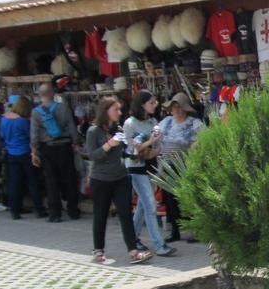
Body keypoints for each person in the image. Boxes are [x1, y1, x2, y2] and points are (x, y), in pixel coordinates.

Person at [86, 96, 152, 265]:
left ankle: (133, 251)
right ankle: (98, 249)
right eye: (116, 109)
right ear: (106, 111)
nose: (119, 112)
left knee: (125, 214)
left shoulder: (118, 128)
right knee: (101, 214)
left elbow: (123, 152)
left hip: (120, 177)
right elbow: (92, 155)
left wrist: (135, 152)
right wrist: (109, 145)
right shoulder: (94, 131)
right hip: (100, 179)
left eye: (120, 109)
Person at [123, 91, 176, 257]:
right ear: (142, 104)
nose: (155, 105)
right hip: (136, 168)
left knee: (143, 205)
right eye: (151, 102)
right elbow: (134, 148)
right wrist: (152, 142)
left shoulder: (153, 121)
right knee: (151, 206)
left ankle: (133, 238)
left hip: (152, 165)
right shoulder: (130, 123)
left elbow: (157, 147)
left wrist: (154, 146)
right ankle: (159, 245)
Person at [31, 82, 81, 222]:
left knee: (51, 181)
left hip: (47, 149)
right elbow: (72, 127)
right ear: (53, 93)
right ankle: (73, 211)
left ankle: (55, 214)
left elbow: (34, 134)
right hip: (64, 147)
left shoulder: (36, 112)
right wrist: (76, 143)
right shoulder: (63, 108)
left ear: (40, 95)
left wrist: (34, 152)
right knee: (69, 179)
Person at [157, 92, 203, 243]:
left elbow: (205, 137)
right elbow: (155, 136)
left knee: (188, 199)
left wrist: (193, 146)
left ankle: (195, 231)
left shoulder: (194, 123)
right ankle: (175, 231)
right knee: (170, 200)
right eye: (174, 107)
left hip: (185, 165)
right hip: (168, 165)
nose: (177, 110)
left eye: (179, 107)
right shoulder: (166, 122)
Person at [0, 96, 45, 219]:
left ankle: (15, 210)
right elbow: (30, 136)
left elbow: (2, 135)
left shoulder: (3, 119)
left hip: (11, 153)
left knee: (14, 182)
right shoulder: (23, 121)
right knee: (32, 181)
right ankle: (39, 209)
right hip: (25, 152)